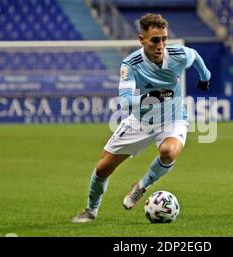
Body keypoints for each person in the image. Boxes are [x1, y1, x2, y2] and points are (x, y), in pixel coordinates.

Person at [72, 13, 211, 222]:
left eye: (164, 39)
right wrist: (151, 97)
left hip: (172, 119)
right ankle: (91, 211)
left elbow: (196, 56)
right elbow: (126, 100)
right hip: (140, 121)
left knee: (169, 151)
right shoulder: (131, 64)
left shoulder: (177, 55)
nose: (161, 45)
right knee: (103, 168)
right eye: (155, 40)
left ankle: (142, 186)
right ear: (142, 40)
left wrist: (205, 77)